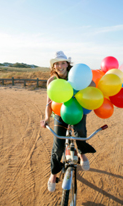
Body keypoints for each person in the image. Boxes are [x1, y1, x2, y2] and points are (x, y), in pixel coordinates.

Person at [40, 51, 96, 192]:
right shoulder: (52, 81)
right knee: (58, 145)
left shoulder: (75, 74)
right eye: (57, 63)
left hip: (77, 109)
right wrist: (46, 118)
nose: (60, 66)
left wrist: (84, 87)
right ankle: (53, 174)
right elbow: (49, 103)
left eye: (62, 63)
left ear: (67, 64)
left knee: (80, 132)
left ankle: (82, 154)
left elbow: (93, 84)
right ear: (53, 66)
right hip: (60, 112)